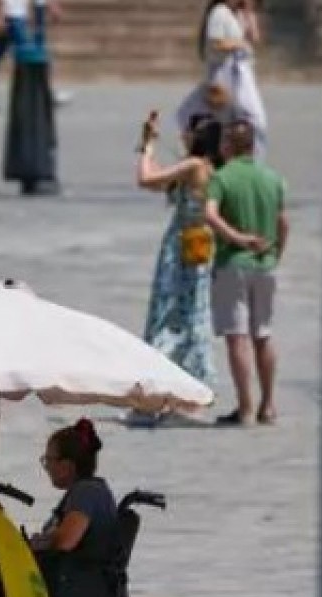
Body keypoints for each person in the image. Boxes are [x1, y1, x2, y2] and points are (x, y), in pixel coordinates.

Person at [127, 111, 224, 425]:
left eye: (189, 131)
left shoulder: (194, 165)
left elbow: (146, 179)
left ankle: (158, 389)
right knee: (192, 315)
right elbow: (161, 183)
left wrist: (147, 146)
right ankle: (186, 391)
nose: (183, 134)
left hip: (180, 248)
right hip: (199, 248)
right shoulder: (209, 168)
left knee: (170, 315)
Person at [203, 118, 288, 426]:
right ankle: (268, 405)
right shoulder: (273, 178)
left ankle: (246, 407)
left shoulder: (222, 178)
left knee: (237, 337)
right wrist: (276, 253)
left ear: (227, 145)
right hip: (265, 264)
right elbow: (283, 222)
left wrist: (236, 238)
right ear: (253, 145)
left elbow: (210, 214)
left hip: (232, 264)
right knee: (263, 334)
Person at [29, 419, 119, 597]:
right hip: (82, 585)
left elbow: (66, 541)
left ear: (66, 466)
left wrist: (40, 542)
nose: (46, 467)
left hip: (77, 589)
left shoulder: (86, 493)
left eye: (48, 460)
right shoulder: (87, 491)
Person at [175, 0, 268, 154]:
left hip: (238, 73)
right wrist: (240, 44)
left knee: (240, 119)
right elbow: (217, 43)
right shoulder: (220, 12)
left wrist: (249, 12)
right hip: (223, 73)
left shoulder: (237, 14)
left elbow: (255, 38)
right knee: (234, 119)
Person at [0, 0, 61, 113]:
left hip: (17, 17)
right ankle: (41, 95)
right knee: (29, 55)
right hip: (12, 18)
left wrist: (49, 6)